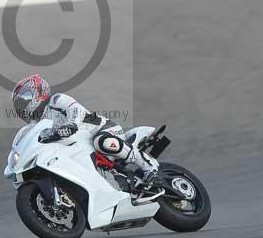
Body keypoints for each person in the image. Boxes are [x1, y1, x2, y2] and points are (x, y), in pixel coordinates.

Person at [11, 73, 159, 184]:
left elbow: (76, 110)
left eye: (23, 100)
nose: (21, 106)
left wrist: (71, 125)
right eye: (18, 104)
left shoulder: (56, 100)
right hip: (80, 148)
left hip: (101, 130)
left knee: (103, 142)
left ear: (36, 92)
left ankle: (147, 165)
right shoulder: (37, 125)